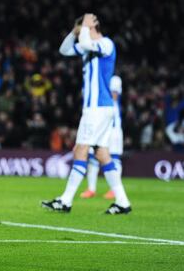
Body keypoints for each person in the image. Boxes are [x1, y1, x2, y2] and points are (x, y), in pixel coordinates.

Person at [41, 14, 131, 214]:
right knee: (102, 154)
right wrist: (75, 30)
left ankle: (65, 200)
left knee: (80, 150)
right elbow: (64, 49)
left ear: (92, 26)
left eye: (83, 26)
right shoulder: (86, 44)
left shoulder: (106, 44)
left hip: (97, 108)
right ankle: (123, 202)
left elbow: (85, 42)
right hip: (96, 109)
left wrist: (84, 28)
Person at [80, 75, 123, 200]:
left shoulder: (113, 79)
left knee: (114, 158)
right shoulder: (96, 78)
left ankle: (114, 190)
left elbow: (114, 96)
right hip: (101, 127)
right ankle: (91, 189)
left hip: (114, 129)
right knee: (93, 157)